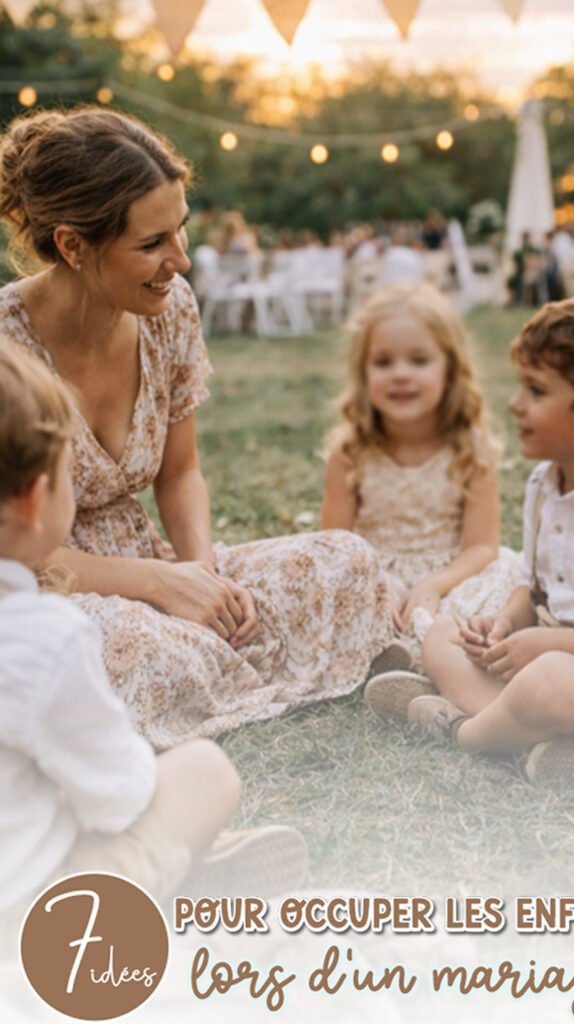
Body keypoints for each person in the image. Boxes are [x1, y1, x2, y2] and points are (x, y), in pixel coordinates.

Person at [0, 107, 393, 750]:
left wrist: (203, 577)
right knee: (131, 650)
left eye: (180, 231)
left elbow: (180, 472)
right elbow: (11, 546)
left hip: (151, 560)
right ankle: (216, 667)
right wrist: (159, 586)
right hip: (44, 586)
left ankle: (214, 659)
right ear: (73, 245)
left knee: (343, 559)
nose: (180, 261)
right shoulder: (5, 349)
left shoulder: (170, 311)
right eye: (152, 244)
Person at [0, 344, 308, 953]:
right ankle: (158, 895)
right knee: (202, 772)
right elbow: (118, 797)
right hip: (28, 922)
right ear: (35, 501)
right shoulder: (43, 637)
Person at [398, 288, 574, 784]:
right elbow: (533, 590)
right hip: (546, 653)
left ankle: (463, 730)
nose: (515, 404)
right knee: (444, 634)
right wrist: (504, 625)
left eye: (537, 391)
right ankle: (538, 737)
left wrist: (552, 645)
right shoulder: (543, 484)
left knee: (549, 682)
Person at [321, 283, 520, 688]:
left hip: (451, 575)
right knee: (336, 593)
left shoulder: (472, 449)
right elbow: (335, 544)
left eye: (419, 360)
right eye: (383, 362)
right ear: (363, 372)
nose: (400, 374)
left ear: (450, 368)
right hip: (379, 576)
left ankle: (422, 652)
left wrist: (433, 584)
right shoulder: (351, 451)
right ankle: (397, 653)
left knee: (510, 577)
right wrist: (377, 587)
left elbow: (482, 546)